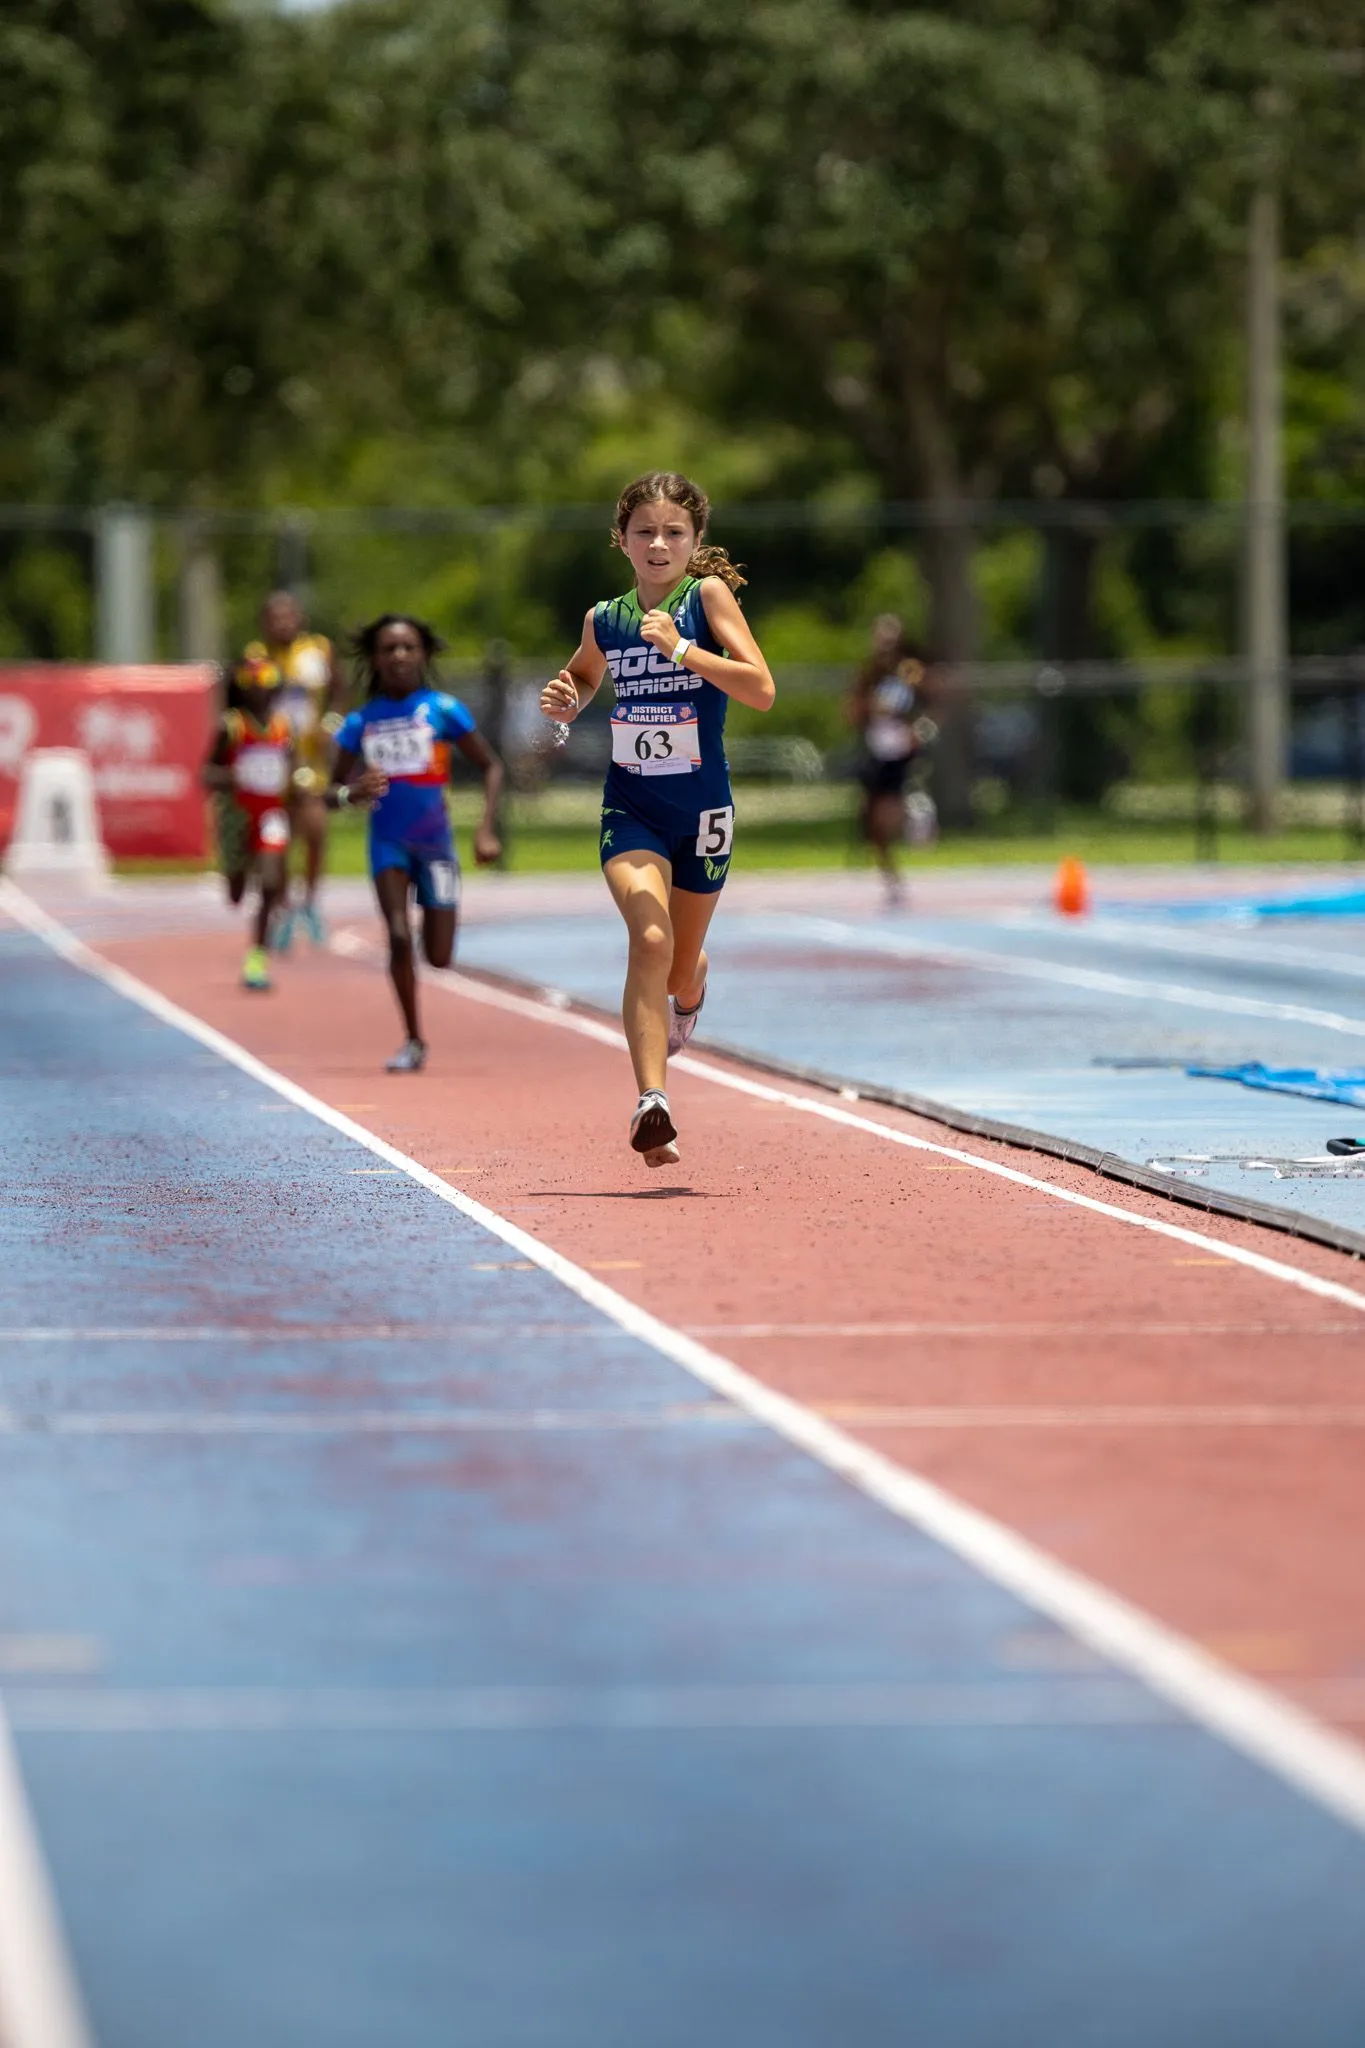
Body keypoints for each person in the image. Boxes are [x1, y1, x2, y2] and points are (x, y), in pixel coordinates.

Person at [538, 470, 775, 1167]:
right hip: (632, 805)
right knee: (647, 934)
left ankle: (692, 984)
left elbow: (760, 688)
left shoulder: (706, 598)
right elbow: (583, 673)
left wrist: (680, 649)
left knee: (674, 967)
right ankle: (652, 1103)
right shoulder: (603, 618)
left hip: (702, 811)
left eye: (674, 532)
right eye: (644, 531)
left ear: (695, 541)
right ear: (621, 540)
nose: (658, 543)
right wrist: (568, 695)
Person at [328, 614, 503, 1072]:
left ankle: (434, 918)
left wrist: (486, 829)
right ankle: (413, 1038)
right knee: (399, 938)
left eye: (408, 647)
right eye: (389, 648)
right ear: (374, 658)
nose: (399, 656)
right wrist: (352, 792)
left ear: (423, 653)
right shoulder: (360, 722)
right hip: (388, 845)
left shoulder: (443, 710)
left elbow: (491, 766)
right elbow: (328, 792)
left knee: (439, 957)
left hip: (436, 846)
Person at [241, 590, 346, 946]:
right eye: (275, 618)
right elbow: (240, 701)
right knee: (278, 838)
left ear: (300, 619)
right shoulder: (255, 658)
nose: (282, 623)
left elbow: (339, 690)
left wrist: (332, 721)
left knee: (315, 827)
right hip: (270, 760)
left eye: (289, 616)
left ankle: (311, 900)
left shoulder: (318, 650)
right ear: (264, 623)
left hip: (309, 757)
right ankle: (283, 906)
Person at [203, 654, 295, 991]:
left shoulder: (285, 727)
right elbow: (207, 773)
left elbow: (291, 772)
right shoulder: (231, 726)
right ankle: (236, 877)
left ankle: (258, 954)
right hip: (237, 817)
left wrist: (296, 786)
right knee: (237, 892)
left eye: (266, 686)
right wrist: (234, 775)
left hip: (272, 815)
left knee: (270, 881)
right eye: (253, 687)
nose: (260, 694)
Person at [847, 613, 936, 906]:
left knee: (888, 813)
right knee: (874, 821)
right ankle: (891, 876)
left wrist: (919, 730)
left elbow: (933, 705)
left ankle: (916, 811)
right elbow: (853, 710)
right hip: (877, 751)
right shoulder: (869, 673)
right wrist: (864, 710)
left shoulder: (910, 672)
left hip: (901, 753)